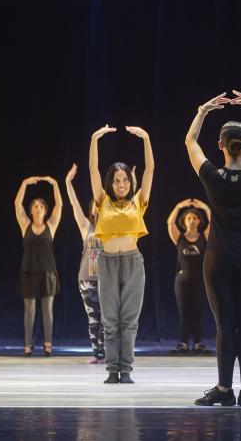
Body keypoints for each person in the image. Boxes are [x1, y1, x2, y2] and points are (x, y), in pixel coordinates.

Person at [186, 91, 241, 407]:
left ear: (221, 145)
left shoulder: (211, 175)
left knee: (225, 325)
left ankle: (224, 390)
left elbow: (190, 142)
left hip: (219, 258)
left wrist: (202, 110)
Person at [89, 124, 154, 384]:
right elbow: (93, 169)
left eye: (125, 179)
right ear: (110, 183)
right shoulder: (102, 201)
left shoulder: (138, 201)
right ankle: (111, 371)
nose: (121, 184)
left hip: (132, 262)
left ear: (130, 181)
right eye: (116, 180)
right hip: (106, 262)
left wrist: (146, 139)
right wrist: (95, 139)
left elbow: (150, 170)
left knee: (128, 320)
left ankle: (125, 370)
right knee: (110, 320)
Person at [14, 176, 63, 356]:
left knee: (47, 310)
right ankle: (28, 344)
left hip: (48, 272)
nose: (38, 208)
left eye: (41, 206)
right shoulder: (25, 224)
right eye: (35, 206)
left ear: (45, 211)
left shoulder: (51, 225)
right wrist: (24, 183)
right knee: (29, 310)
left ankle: (48, 344)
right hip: (28, 272)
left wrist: (55, 184)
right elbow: (17, 204)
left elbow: (59, 205)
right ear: (31, 210)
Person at [65, 163, 105, 364]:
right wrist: (68, 182)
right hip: (86, 279)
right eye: (95, 206)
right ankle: (96, 354)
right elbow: (74, 206)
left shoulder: (111, 230)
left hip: (106, 279)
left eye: (101, 206)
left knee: (107, 320)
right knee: (93, 318)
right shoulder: (86, 227)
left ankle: (106, 354)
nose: (97, 209)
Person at [166, 198, 212, 354]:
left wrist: (205, 208)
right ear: (184, 221)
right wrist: (179, 206)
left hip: (200, 279)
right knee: (184, 311)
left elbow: (214, 224)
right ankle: (183, 342)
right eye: (189, 218)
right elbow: (169, 223)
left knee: (197, 310)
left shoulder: (204, 237)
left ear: (199, 221)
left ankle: (198, 342)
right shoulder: (179, 237)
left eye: (194, 218)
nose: (191, 220)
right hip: (182, 280)